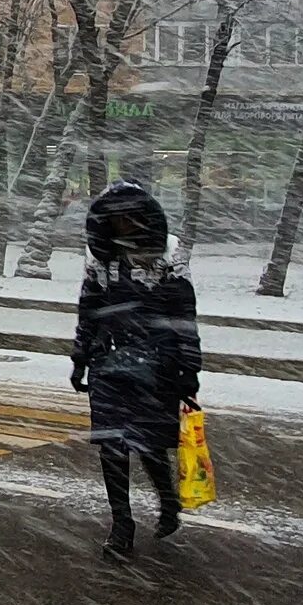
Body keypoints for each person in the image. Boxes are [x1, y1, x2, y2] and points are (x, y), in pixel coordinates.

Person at [71, 179, 202, 561]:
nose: (123, 225)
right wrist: (80, 357)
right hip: (109, 364)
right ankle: (122, 524)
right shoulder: (100, 258)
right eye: (116, 219)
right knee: (112, 446)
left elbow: (183, 318)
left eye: (129, 218)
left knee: (149, 445)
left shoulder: (169, 256)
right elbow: (88, 311)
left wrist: (188, 371)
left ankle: (168, 502)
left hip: (157, 368)